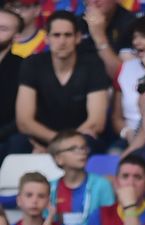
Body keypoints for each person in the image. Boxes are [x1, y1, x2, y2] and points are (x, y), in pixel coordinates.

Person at [14, 10, 111, 154]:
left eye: (68, 35)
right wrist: (58, 143)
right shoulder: (33, 64)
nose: (62, 41)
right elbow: (24, 121)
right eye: (56, 35)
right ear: (46, 38)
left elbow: (97, 122)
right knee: (16, 143)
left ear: (78, 38)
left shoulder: (93, 65)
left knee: (92, 142)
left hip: (82, 139)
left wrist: (65, 145)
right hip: (41, 139)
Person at [48, 130, 115, 225]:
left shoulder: (102, 185)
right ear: (58, 158)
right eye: (73, 149)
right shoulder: (49, 188)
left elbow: (109, 224)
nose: (82, 153)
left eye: (83, 148)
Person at [77, 0, 136, 78]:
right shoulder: (76, 24)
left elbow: (125, 78)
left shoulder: (132, 25)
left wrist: (99, 36)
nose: (95, 1)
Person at [0, 9, 23, 157]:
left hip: (5, 137)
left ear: (16, 37)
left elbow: (21, 117)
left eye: (3, 29)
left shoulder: (24, 66)